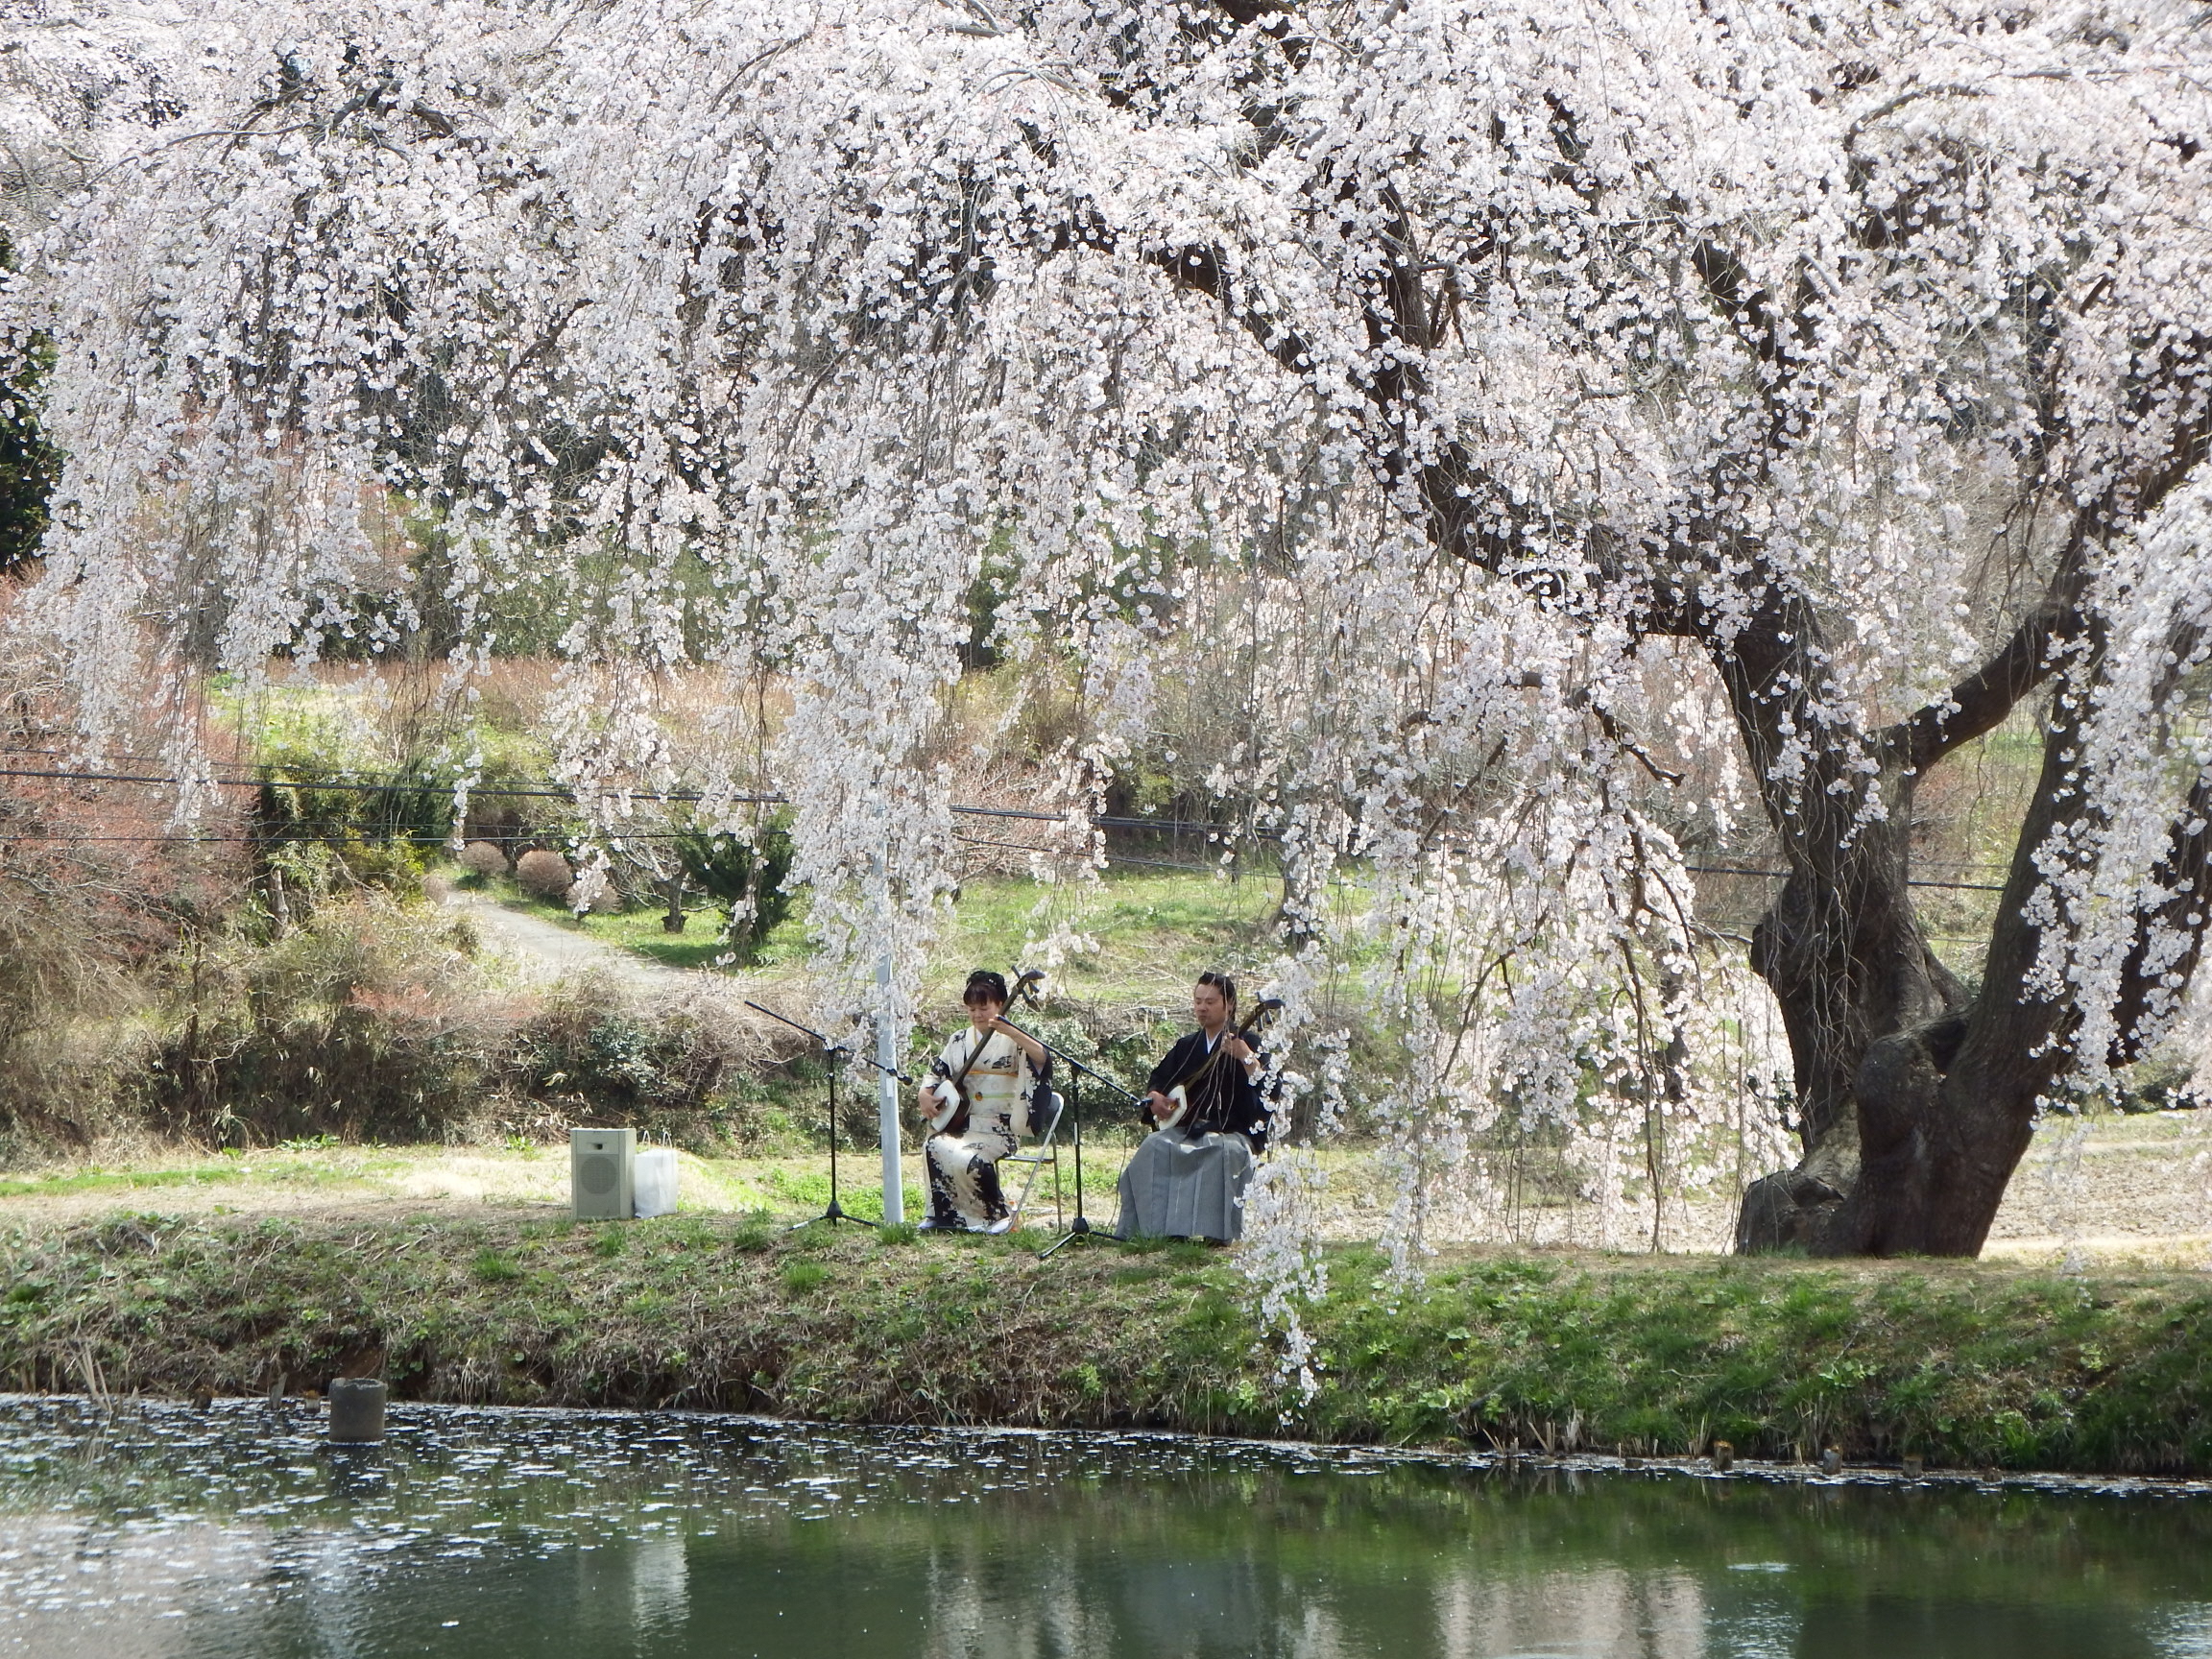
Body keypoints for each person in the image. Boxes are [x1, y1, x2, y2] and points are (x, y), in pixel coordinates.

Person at [1116, 971, 1271, 1244]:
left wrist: (1245, 1056)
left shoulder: (1251, 1044)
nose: (1202, 1007)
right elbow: (1159, 1080)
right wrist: (1155, 1097)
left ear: (1230, 1004)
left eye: (1210, 1002)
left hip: (1231, 1132)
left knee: (1222, 1153)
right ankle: (1158, 1231)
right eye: (1198, 1001)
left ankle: (1217, 1234)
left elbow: (1271, 1089)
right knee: (1154, 1147)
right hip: (1186, 1129)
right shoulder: (1187, 1045)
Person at [918, 969, 1051, 1232]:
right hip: (965, 1124)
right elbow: (935, 1074)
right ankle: (943, 1216)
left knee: (969, 1159)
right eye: (972, 1009)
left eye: (984, 1007)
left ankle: (995, 1215)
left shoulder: (1015, 1039)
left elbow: (1042, 1059)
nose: (977, 1015)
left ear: (999, 1004)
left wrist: (1012, 1033)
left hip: (1000, 1128)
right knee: (933, 1147)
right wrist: (925, 1094)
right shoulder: (958, 1039)